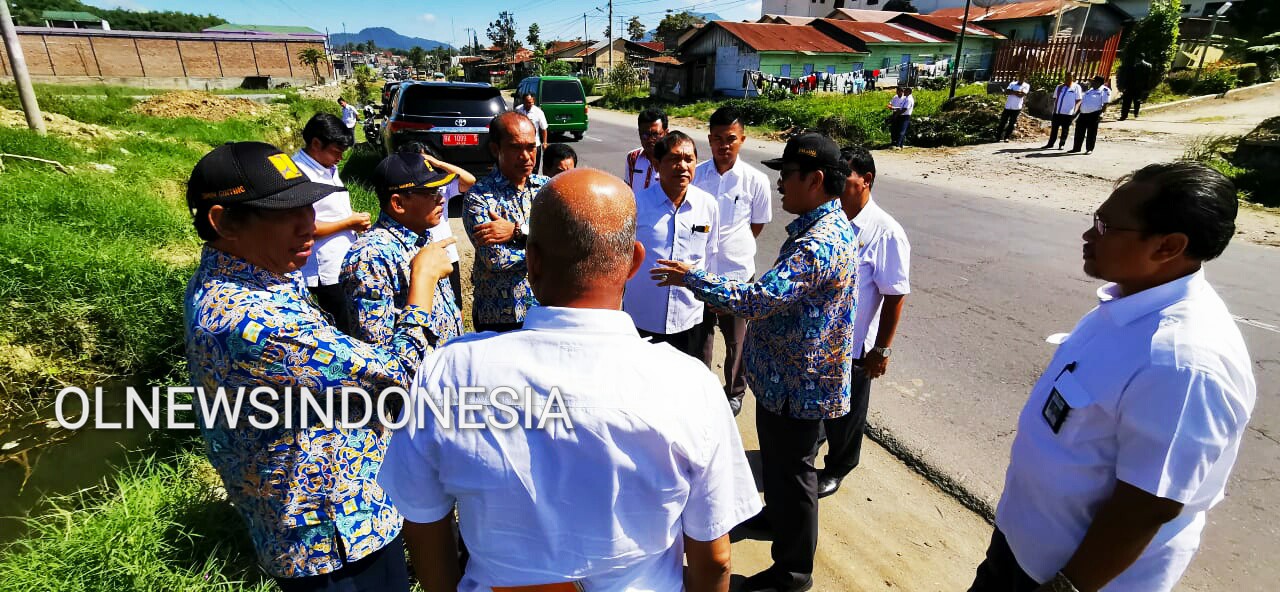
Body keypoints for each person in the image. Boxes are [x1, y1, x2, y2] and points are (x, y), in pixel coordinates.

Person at [377, 168, 761, 592]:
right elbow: (716, 558)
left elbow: (422, 520)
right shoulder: (690, 385)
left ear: (532, 261)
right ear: (634, 261)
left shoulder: (449, 373)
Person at [968, 162, 1256, 592]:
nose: (1089, 236)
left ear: (1168, 246)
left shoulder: (1184, 361)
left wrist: (1068, 586)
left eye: (1104, 226)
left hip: (1068, 579)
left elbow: (1147, 505)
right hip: (1021, 549)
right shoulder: (1126, 303)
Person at [184, 141, 455, 592]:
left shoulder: (259, 277)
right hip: (330, 537)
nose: (308, 225)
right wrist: (421, 283)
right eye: (283, 213)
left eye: (309, 207)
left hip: (350, 509)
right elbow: (395, 376)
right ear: (224, 221)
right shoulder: (250, 319)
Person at [653, 133, 859, 592]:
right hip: (786, 380)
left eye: (786, 175)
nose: (780, 184)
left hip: (796, 386)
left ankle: (792, 574)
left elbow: (759, 299)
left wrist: (694, 279)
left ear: (815, 179)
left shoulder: (817, 243)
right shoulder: (817, 227)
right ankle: (777, 520)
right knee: (784, 470)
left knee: (795, 473)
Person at [818, 146, 911, 499]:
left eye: (846, 177)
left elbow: (895, 294)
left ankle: (839, 466)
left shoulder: (884, 232)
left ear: (867, 180)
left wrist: (882, 348)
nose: (838, 184)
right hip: (823, 336)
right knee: (823, 405)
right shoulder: (832, 220)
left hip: (856, 344)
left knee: (848, 412)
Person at [691, 105, 773, 415]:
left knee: (738, 341)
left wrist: (733, 250)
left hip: (737, 275)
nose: (724, 146)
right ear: (709, 139)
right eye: (717, 139)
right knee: (700, 338)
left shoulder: (755, 181)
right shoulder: (697, 176)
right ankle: (700, 390)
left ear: (742, 139)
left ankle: (734, 393)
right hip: (700, 274)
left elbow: (757, 226)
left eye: (731, 139)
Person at [341, 152, 464, 350]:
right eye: (431, 193)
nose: (441, 199)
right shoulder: (370, 256)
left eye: (439, 190)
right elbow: (378, 355)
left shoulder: (423, 236)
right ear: (398, 204)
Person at [623, 131, 720, 357]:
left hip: (689, 317)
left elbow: (710, 254)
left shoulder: (707, 205)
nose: (683, 166)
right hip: (643, 317)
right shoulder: (636, 204)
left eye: (689, 159)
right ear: (657, 164)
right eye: (674, 159)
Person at [463, 111, 550, 333]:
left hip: (544, 311)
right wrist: (549, 253)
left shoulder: (548, 189)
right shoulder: (479, 197)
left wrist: (517, 232)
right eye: (515, 148)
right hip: (499, 315)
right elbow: (496, 259)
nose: (526, 156)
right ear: (496, 149)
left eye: (531, 147)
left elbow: (569, 239)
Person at [293, 113, 370, 333]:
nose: (340, 158)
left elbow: (328, 210)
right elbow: (303, 229)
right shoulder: (300, 174)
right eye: (336, 152)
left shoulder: (326, 167)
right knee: (341, 326)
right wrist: (348, 223)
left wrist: (352, 217)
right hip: (324, 269)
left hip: (341, 262)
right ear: (316, 143)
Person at [399, 141, 476, 305]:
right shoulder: (408, 190)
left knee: (455, 302)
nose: (439, 200)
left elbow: (469, 181)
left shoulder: (443, 185)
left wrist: (438, 163)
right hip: (420, 255)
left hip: (447, 254)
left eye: (427, 160)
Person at [624, 107, 667, 193]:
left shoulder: (673, 161)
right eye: (645, 135)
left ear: (666, 133)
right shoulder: (633, 158)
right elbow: (627, 190)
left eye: (655, 134)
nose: (650, 139)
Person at [1071, 76, 1111, 155]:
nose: (1091, 83)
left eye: (1093, 81)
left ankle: (1089, 149)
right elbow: (1083, 102)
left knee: (1091, 133)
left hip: (1094, 114)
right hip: (1083, 114)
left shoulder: (1104, 90)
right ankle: (1076, 148)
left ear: (1098, 83)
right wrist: (1076, 113)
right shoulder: (1090, 90)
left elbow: (1105, 103)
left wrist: (1102, 113)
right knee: (1079, 131)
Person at [1044, 73, 1083, 150]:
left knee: (1065, 130)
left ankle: (1061, 144)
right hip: (1057, 112)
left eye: (1070, 77)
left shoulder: (1076, 87)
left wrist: (1075, 110)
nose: (1068, 79)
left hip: (1068, 112)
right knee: (1054, 129)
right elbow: (1055, 98)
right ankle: (1050, 144)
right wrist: (1054, 108)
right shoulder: (1059, 87)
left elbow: (1078, 100)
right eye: (1066, 77)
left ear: (1073, 78)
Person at [514, 92, 549, 171]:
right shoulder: (518, 110)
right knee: (521, 167)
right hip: (521, 144)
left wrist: (545, 143)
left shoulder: (538, 112)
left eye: (530, 102)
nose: (528, 104)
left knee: (534, 167)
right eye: (526, 102)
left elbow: (544, 128)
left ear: (533, 101)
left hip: (534, 145)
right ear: (523, 101)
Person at [1117, 54, 1153, 121]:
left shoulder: (1132, 65)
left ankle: (1124, 115)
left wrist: (1123, 85)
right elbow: (1148, 78)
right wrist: (1146, 87)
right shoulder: (1148, 65)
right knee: (1137, 100)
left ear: (1137, 58)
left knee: (1127, 101)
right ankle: (1136, 113)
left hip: (1130, 86)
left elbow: (1127, 76)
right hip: (1139, 87)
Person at [998, 73, 1032, 142]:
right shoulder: (1012, 83)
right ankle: (997, 137)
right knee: (1002, 122)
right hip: (1008, 106)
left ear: (1025, 78)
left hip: (1016, 107)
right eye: (1020, 77)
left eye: (1023, 77)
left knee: (1011, 123)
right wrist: (1018, 92)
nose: (1021, 78)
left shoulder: (1026, 85)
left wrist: (1012, 92)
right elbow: (1007, 92)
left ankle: (1006, 137)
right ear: (1017, 77)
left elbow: (1021, 95)